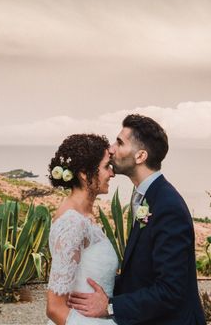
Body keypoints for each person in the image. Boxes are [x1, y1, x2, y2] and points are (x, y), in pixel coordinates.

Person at [68, 114, 206, 325]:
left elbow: (170, 290)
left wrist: (110, 306)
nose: (111, 149)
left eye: (120, 143)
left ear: (140, 156)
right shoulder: (146, 196)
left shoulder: (168, 207)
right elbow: (142, 274)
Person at [46, 133, 118, 325]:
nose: (112, 173)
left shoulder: (85, 217)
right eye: (106, 167)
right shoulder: (72, 222)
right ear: (85, 174)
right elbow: (55, 308)